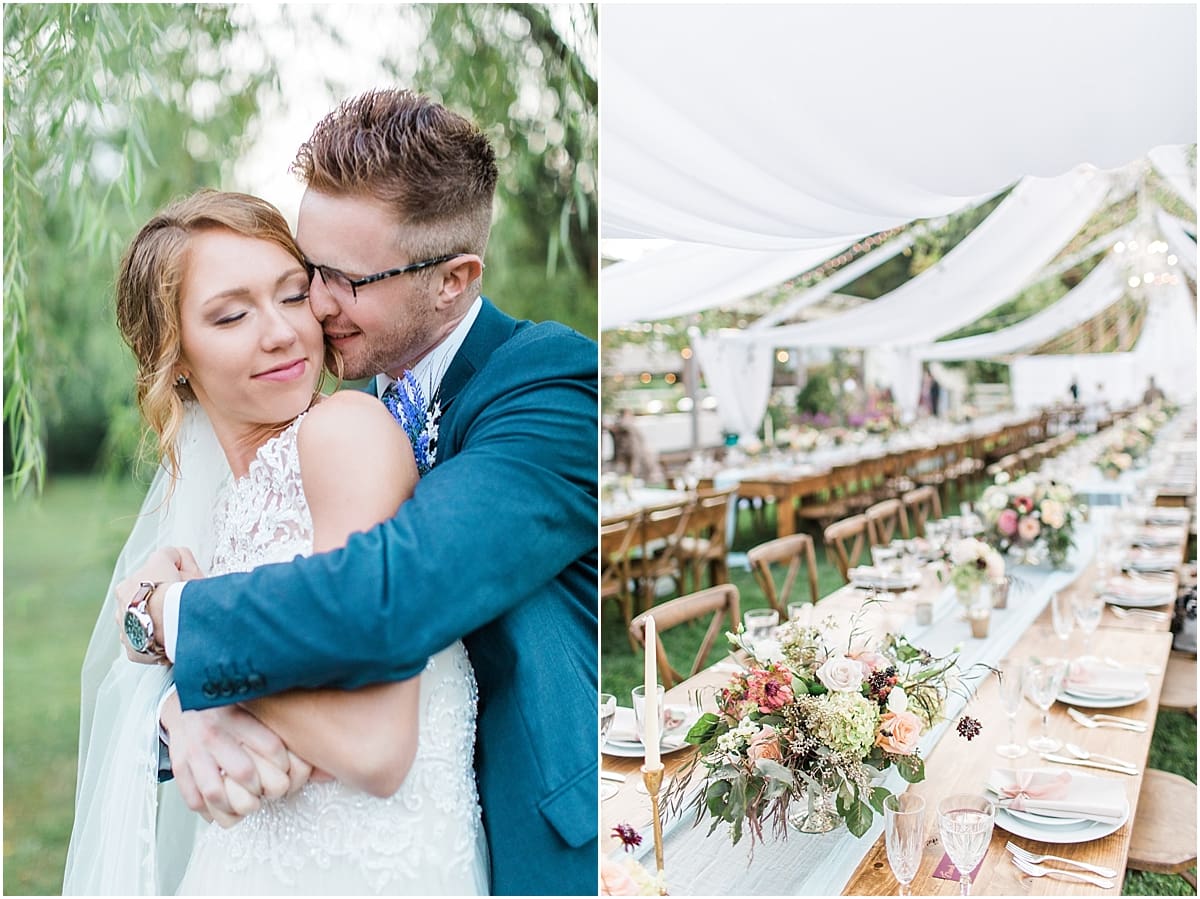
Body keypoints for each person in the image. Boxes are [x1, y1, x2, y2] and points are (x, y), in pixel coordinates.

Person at [113, 89, 598, 896]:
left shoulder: (551, 387)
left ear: (454, 279)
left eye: (335, 280)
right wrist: (180, 704)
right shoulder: (346, 414)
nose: (313, 310)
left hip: (529, 840)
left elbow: (391, 591)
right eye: (311, 271)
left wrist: (171, 615)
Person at [64, 190, 489, 894]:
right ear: (173, 358)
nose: (283, 332)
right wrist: (181, 704)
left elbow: (375, 746)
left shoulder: (345, 433)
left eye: (294, 296)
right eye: (231, 314)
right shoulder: (218, 510)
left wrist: (185, 654)